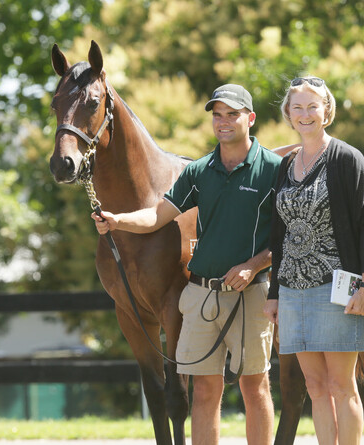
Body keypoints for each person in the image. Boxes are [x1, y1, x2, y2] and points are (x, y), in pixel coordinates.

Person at [92, 84, 280, 445]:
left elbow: (286, 237)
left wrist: (254, 266)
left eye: (233, 114)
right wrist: (117, 220)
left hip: (251, 294)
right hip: (202, 296)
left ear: (250, 118)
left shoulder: (274, 169)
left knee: (254, 387)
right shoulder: (199, 171)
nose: (223, 122)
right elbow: (157, 216)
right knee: (204, 392)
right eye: (217, 115)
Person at [263, 76, 364, 445]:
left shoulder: (346, 158)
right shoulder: (286, 165)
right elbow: (278, 234)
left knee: (341, 384)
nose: (305, 113)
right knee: (314, 387)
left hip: (338, 288)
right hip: (293, 292)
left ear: (326, 110)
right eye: (297, 107)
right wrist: (273, 293)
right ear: (288, 114)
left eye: (312, 105)